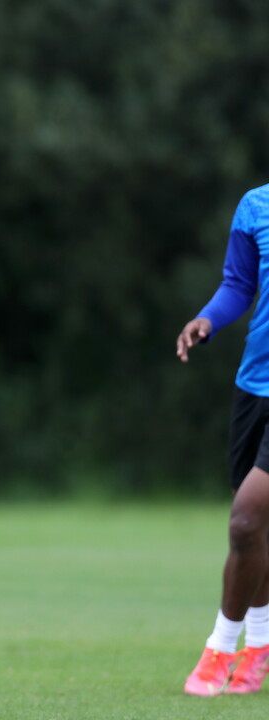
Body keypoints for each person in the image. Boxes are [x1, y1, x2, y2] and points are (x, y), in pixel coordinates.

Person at [177, 183, 269, 696]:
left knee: (247, 518)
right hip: (254, 385)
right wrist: (208, 318)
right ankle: (260, 647)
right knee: (255, 532)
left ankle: (219, 650)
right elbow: (238, 283)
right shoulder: (256, 205)